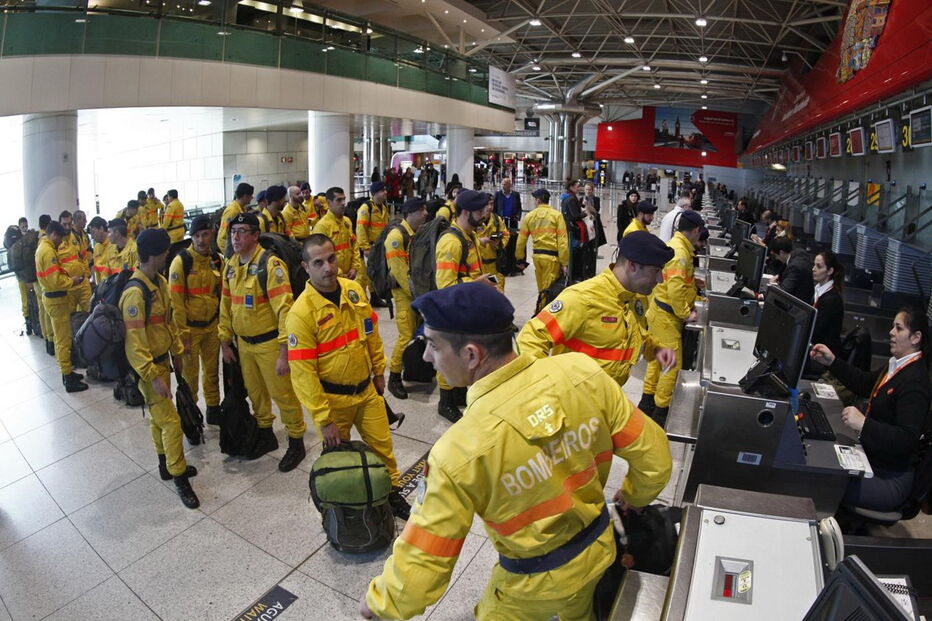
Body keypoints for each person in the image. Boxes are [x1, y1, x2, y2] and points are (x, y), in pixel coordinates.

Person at [360, 282, 673, 621]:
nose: (425, 357)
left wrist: (382, 604)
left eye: (433, 345)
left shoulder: (460, 451)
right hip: (598, 549)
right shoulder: (582, 373)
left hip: (531, 587)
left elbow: (425, 559)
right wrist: (632, 496)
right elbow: (655, 458)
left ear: (470, 354)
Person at [285, 234, 411, 519]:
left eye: (331, 258)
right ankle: (344, 510)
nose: (328, 267)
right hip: (333, 403)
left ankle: (392, 494)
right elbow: (303, 375)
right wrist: (324, 419)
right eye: (318, 263)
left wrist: (379, 371)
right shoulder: (301, 314)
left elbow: (371, 335)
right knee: (339, 461)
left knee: (384, 449)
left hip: (367, 392)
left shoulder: (353, 290)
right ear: (306, 267)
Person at [809, 306, 931, 513]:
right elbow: (865, 383)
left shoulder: (915, 382)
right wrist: (832, 361)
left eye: (899, 328)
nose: (891, 332)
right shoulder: (897, 365)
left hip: (889, 478)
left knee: (822, 481)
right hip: (871, 460)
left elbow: (906, 438)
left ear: (916, 337)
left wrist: (864, 424)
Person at [518, 231, 676, 388]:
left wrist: (655, 349)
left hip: (606, 400)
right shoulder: (583, 299)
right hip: (575, 405)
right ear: (632, 266)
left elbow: (634, 334)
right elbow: (531, 337)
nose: (660, 279)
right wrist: (542, 387)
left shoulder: (634, 299)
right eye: (655, 271)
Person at [219, 212, 307, 469]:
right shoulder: (231, 265)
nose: (236, 236)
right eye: (233, 231)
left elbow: (285, 311)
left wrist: (284, 352)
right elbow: (225, 305)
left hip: (270, 344)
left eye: (242, 231)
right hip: (244, 345)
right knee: (256, 394)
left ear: (255, 235)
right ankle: (266, 435)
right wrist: (225, 341)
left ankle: (296, 440)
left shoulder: (271, 266)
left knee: (284, 395)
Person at [121, 229, 201, 508]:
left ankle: (165, 464)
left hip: (163, 362)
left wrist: (177, 353)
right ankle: (179, 476)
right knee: (171, 422)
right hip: (149, 369)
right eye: (166, 250)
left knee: (158, 418)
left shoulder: (159, 282)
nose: (169, 254)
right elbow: (134, 343)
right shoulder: (135, 293)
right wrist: (153, 376)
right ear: (154, 254)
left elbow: (169, 322)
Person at [434, 189, 497, 422]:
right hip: (452, 311)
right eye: (480, 211)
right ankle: (445, 402)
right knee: (449, 356)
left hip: (467, 307)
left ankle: (458, 393)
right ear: (466, 211)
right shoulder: (451, 242)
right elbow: (445, 284)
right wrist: (476, 283)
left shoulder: (469, 236)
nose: (484, 215)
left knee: (463, 355)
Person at [639, 210, 704, 424]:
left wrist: (694, 285)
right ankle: (660, 413)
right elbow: (675, 291)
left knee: (658, 361)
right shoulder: (681, 253)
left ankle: (646, 402)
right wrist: (687, 314)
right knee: (671, 365)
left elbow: (676, 283)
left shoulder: (677, 246)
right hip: (667, 317)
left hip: (659, 314)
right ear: (695, 230)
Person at [169, 215, 222, 425]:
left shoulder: (217, 260)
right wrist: (182, 335)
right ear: (192, 237)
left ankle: (213, 408)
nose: (201, 240)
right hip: (190, 330)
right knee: (190, 378)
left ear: (212, 234)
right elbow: (176, 304)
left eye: (205, 234)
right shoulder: (181, 262)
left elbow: (222, 295)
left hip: (212, 327)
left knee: (212, 373)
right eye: (197, 235)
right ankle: (191, 417)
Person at [385, 197, 430, 400]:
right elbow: (400, 272)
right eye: (421, 210)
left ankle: (410, 370)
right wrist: (417, 294)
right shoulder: (396, 237)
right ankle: (393, 377)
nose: (426, 213)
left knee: (413, 334)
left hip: (413, 293)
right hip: (404, 295)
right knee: (405, 335)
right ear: (410, 212)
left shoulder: (414, 234)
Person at [35, 221, 88, 392]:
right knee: (63, 340)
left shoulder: (42, 248)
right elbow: (55, 281)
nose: (60, 244)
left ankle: (69, 373)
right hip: (56, 300)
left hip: (53, 299)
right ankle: (68, 376)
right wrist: (71, 281)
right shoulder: (48, 251)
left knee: (62, 338)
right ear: (54, 235)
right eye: (59, 239)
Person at [514, 189, 569, 312]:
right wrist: (564, 262)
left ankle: (540, 312)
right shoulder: (557, 216)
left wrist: (520, 258)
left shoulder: (529, 216)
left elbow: (521, 240)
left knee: (542, 288)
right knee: (548, 290)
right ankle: (542, 315)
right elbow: (563, 241)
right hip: (552, 259)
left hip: (537, 258)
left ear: (538, 200)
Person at [805, 250, 845, 377]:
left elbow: (814, 329)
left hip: (823, 355)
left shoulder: (831, 299)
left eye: (819, 266)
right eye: (814, 265)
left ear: (830, 271)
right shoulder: (818, 290)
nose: (813, 269)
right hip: (814, 346)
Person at [312, 186, 362, 279]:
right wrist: (338, 273)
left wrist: (354, 268)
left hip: (349, 275)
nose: (343, 203)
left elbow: (354, 245)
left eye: (344, 199)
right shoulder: (322, 226)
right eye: (339, 200)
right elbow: (320, 256)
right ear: (329, 203)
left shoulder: (347, 222)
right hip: (331, 276)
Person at [356, 181, 391, 303]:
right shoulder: (366, 208)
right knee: (365, 276)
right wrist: (365, 247)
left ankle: (375, 298)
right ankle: (361, 301)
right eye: (382, 190)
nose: (385, 192)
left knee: (375, 274)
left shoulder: (384, 208)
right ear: (375, 193)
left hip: (379, 247)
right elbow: (360, 229)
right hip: (369, 247)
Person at [57, 210, 92, 312]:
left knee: (89, 313)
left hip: (83, 284)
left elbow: (84, 257)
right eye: (64, 224)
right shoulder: (56, 242)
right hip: (68, 288)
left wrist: (87, 275)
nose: (67, 227)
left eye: (69, 224)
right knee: (70, 318)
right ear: (60, 224)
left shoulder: (76, 237)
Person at [477, 193, 510, 292]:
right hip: (478, 267)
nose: (490, 207)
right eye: (487, 204)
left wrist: (499, 244)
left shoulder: (496, 220)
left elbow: (506, 234)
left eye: (492, 204)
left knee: (497, 294)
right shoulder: (475, 220)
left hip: (493, 266)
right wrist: (480, 242)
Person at [769, 236, 813, 303]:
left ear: (781, 252)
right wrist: (778, 275)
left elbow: (782, 293)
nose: (776, 258)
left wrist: (773, 285)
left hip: (798, 304)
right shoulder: (799, 252)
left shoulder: (794, 267)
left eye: (775, 255)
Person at [216, 182, 255, 256]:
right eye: (251, 195)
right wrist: (231, 255)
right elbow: (221, 238)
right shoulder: (232, 211)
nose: (252, 198)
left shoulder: (241, 209)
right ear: (245, 196)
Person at [493, 178, 522, 275]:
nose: (503, 186)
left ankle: (512, 265)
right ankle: (502, 265)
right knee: (502, 241)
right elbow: (494, 208)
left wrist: (518, 216)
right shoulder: (498, 194)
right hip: (501, 222)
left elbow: (519, 208)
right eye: (502, 184)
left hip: (512, 222)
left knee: (512, 242)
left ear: (510, 185)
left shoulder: (516, 195)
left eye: (505, 184)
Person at [580, 183, 607, 278]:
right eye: (586, 189)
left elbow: (596, 211)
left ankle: (592, 270)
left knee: (593, 248)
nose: (588, 191)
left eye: (589, 189)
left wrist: (588, 205)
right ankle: (584, 270)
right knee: (585, 248)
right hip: (585, 225)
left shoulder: (596, 199)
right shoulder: (580, 199)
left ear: (593, 190)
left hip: (594, 225)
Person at [88, 216, 111, 285]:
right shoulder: (96, 247)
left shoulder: (114, 245)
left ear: (101, 228)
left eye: (93, 232)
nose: (92, 237)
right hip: (101, 288)